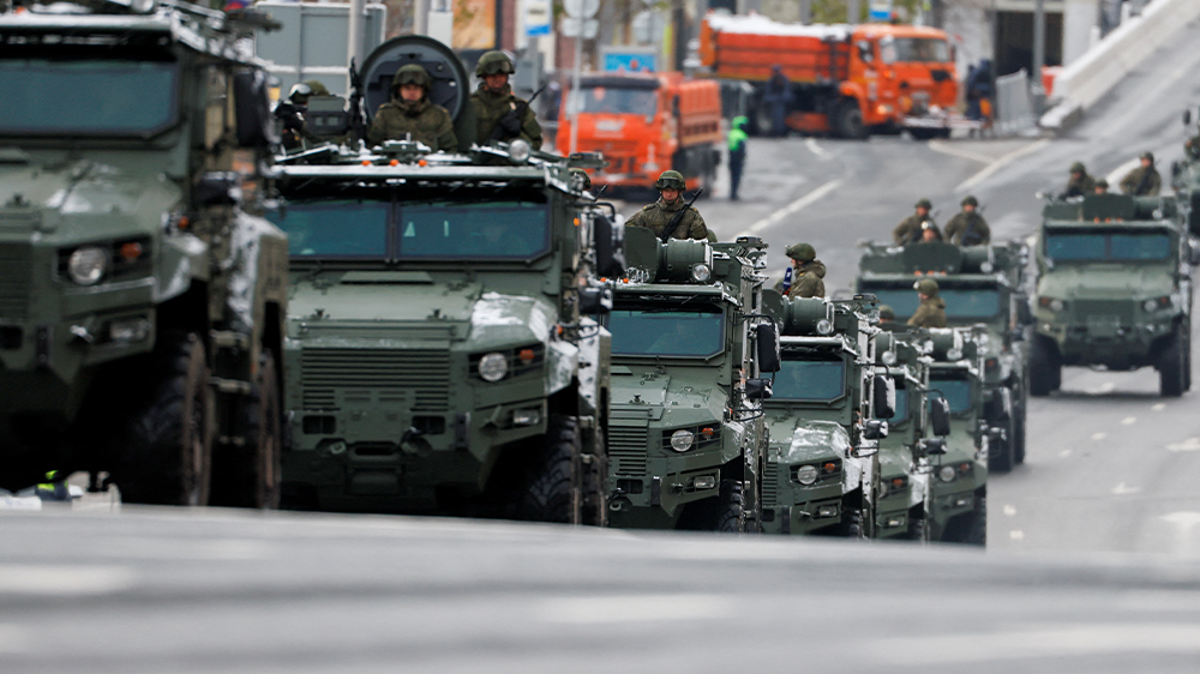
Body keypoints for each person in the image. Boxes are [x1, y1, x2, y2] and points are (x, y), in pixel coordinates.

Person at [366, 64, 456, 151]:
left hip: (428, 165)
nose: (412, 92)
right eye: (407, 88)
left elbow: (449, 149)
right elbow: (374, 147)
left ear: (424, 90)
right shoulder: (386, 114)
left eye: (416, 88)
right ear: (399, 90)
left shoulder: (437, 115)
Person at [470, 51, 542, 149]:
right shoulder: (470, 105)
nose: (497, 79)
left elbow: (535, 146)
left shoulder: (519, 107)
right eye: (492, 75)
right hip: (474, 163)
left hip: (509, 163)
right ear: (484, 76)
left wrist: (518, 134)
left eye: (502, 74)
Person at [625, 170, 708, 240]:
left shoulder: (691, 215)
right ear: (661, 191)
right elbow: (628, 233)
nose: (669, 194)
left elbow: (701, 243)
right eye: (666, 191)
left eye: (673, 190)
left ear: (680, 192)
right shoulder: (647, 214)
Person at [763, 64, 791, 137]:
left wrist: (781, 98)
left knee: (779, 117)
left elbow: (787, 93)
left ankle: (780, 131)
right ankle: (776, 131)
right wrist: (775, 98)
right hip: (774, 103)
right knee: (775, 117)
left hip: (780, 103)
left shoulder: (783, 80)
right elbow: (767, 94)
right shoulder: (771, 81)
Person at [727, 115, 748, 201]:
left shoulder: (731, 133)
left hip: (731, 157)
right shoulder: (741, 135)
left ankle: (732, 193)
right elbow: (742, 149)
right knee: (737, 176)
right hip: (738, 159)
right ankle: (734, 194)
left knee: (732, 176)